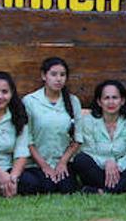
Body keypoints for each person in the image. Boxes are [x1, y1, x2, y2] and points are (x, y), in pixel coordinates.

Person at [71, 80, 126, 193]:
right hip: (99, 172)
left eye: (115, 97)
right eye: (106, 98)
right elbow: (88, 151)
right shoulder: (88, 121)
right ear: (99, 102)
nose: (111, 102)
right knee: (80, 159)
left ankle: (102, 191)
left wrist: (117, 166)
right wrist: (107, 163)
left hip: (124, 170)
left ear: (122, 101)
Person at [21, 57, 83, 195]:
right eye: (53, 74)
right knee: (47, 186)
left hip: (63, 161)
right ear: (44, 76)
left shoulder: (73, 101)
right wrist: (44, 166)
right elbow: (27, 139)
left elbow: (78, 138)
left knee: (66, 188)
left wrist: (62, 163)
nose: (58, 79)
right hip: (37, 162)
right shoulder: (30, 101)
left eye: (62, 75)